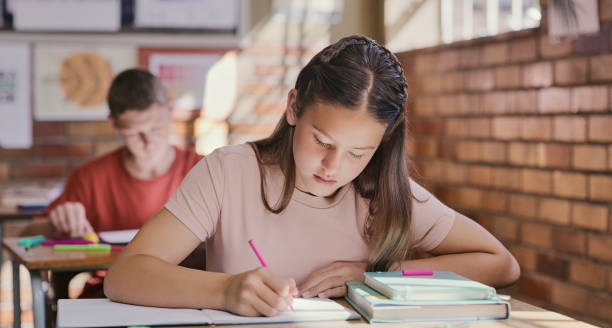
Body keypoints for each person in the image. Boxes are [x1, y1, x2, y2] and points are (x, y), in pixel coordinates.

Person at [104, 35, 520, 317]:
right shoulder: (228, 173)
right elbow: (126, 275)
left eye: (359, 153)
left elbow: (500, 263)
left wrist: (377, 276)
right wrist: (225, 290)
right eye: (322, 141)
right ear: (293, 109)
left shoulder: (385, 192)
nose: (333, 167)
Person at [42, 68, 203, 299]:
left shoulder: (203, 171)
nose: (148, 141)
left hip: (188, 295)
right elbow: (31, 233)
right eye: (134, 133)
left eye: (156, 128)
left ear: (170, 110)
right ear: (114, 124)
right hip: (110, 296)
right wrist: (56, 223)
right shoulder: (90, 176)